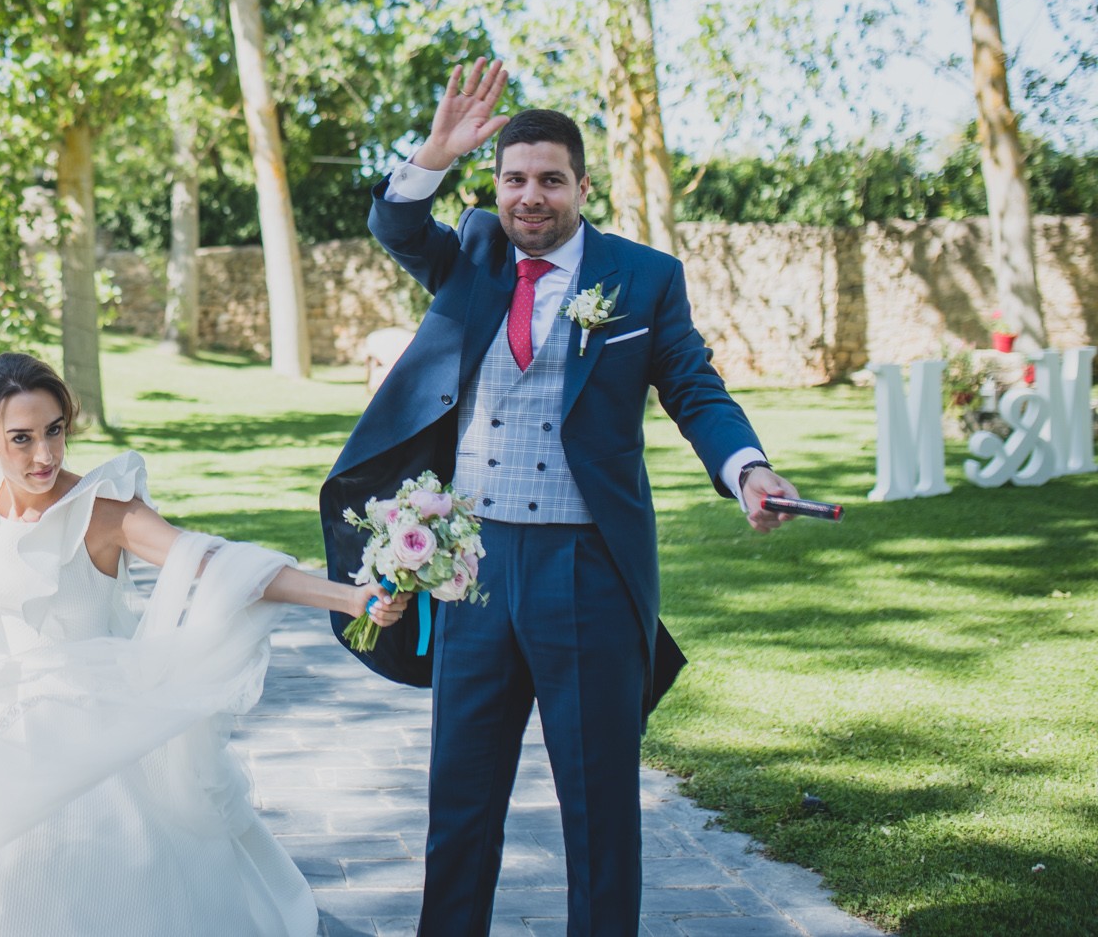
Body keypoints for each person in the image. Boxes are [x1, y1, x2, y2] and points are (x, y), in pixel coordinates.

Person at [319, 60, 807, 937]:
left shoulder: (643, 277)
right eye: (514, 179)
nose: (530, 197)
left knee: (600, 812)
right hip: (472, 571)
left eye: (550, 179)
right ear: (496, 186)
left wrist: (747, 469)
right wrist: (435, 149)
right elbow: (393, 221)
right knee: (459, 804)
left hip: (586, 569)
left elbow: (694, 388)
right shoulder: (469, 254)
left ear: (583, 185)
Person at [0, 352, 404, 937]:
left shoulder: (104, 513)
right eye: (21, 439)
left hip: (93, 709)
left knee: (107, 858)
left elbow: (212, 560)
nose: (43, 455)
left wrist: (348, 598)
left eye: (55, 432)